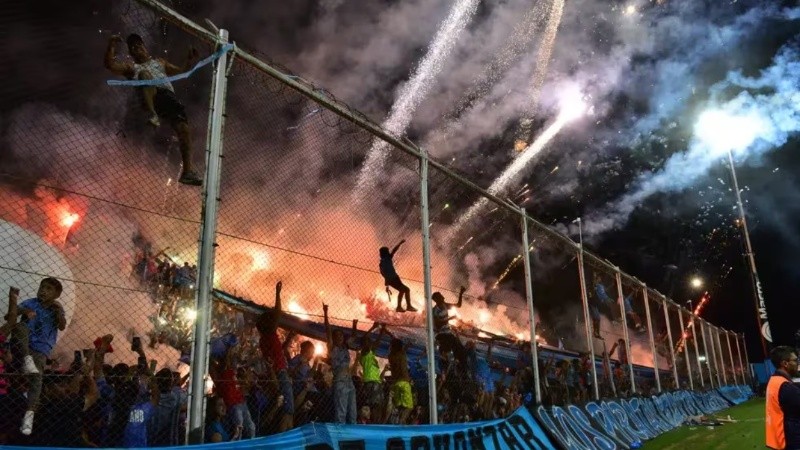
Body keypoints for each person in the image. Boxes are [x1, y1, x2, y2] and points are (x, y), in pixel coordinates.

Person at [104, 33, 203, 186]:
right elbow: (110, 65)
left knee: (184, 130)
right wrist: (111, 44)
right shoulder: (133, 68)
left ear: (145, 47)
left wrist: (189, 60)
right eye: (133, 48)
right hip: (151, 96)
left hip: (169, 98)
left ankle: (187, 172)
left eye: (139, 45)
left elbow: (181, 72)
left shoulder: (160, 62)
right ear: (131, 53)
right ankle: (153, 115)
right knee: (145, 74)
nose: (138, 49)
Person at [12, 278, 66, 435]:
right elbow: (11, 314)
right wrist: (22, 311)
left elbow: (61, 325)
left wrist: (57, 311)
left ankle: (29, 416)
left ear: (56, 294)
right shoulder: (31, 302)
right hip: (24, 345)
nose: (43, 290)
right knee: (20, 326)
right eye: (42, 287)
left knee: (36, 381)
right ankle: (27, 359)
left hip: (41, 348)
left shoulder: (57, 308)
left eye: (48, 289)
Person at [256, 281, 294, 432]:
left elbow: (278, 352)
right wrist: (278, 293)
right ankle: (286, 440)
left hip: (278, 373)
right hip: (280, 373)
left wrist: (289, 339)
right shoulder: (270, 334)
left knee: (287, 408)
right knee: (288, 409)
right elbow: (278, 312)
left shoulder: (264, 340)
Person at [323, 303, 357, 424]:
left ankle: (353, 436)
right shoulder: (333, 348)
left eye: (341, 335)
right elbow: (327, 330)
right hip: (340, 382)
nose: (340, 337)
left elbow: (353, 336)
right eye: (337, 336)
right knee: (341, 413)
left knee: (353, 412)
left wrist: (354, 324)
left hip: (349, 381)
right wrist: (325, 313)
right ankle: (340, 436)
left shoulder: (345, 348)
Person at [766, 346, 800, 450]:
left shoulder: (775, 380)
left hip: (781, 437)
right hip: (791, 439)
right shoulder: (785, 387)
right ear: (785, 363)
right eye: (795, 360)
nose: (798, 363)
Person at [432, 287, 468, 369]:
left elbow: (458, 305)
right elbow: (438, 325)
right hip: (441, 335)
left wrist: (461, 293)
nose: (443, 297)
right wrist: (450, 319)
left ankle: (460, 366)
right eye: (441, 296)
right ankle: (450, 368)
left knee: (459, 349)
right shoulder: (435, 310)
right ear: (437, 299)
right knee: (450, 350)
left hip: (448, 333)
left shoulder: (444, 305)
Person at [379, 240, 416, 312]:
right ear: (386, 253)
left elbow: (382, 273)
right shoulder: (387, 258)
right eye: (387, 251)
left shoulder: (381, 263)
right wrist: (400, 243)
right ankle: (404, 306)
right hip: (393, 279)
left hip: (393, 279)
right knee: (405, 290)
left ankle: (403, 306)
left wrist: (386, 281)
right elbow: (394, 250)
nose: (389, 252)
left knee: (404, 290)